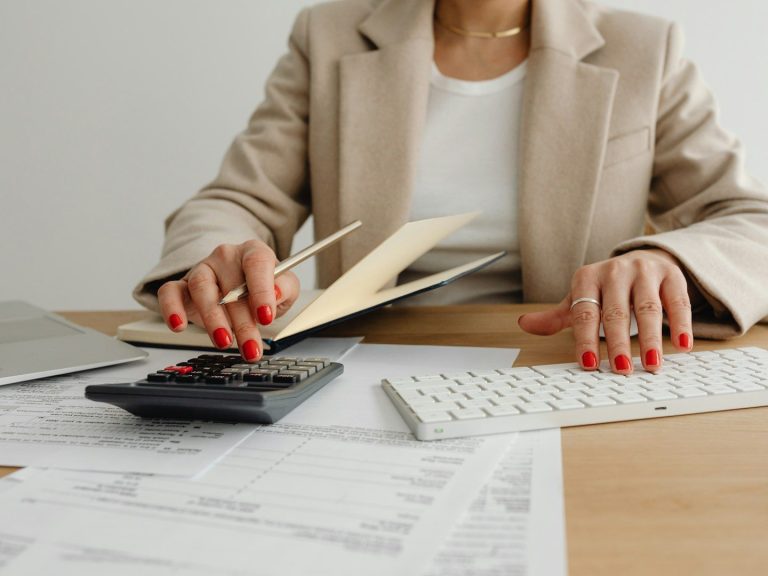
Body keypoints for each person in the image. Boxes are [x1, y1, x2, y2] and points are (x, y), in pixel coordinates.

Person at [134, 0, 768, 374]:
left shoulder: (644, 48)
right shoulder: (327, 35)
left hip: (567, 365)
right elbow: (235, 201)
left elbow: (749, 218)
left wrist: (662, 259)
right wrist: (222, 259)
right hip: (362, 363)